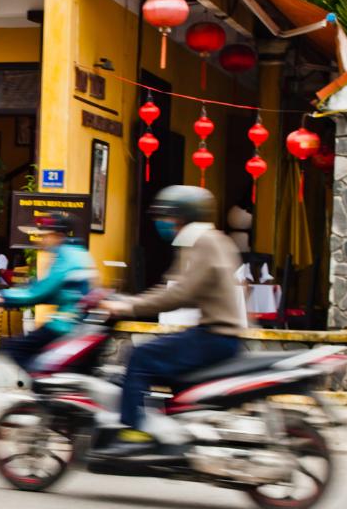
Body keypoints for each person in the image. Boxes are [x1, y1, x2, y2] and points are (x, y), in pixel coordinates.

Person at [100, 185, 245, 456]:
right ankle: (172, 432)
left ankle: (132, 433)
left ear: (183, 217)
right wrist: (128, 302)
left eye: (167, 217)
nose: (162, 223)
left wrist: (128, 308)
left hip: (214, 336)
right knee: (159, 359)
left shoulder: (203, 242)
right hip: (216, 335)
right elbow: (177, 287)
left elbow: (180, 293)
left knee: (139, 357)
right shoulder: (210, 240)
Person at [0, 211, 98, 375]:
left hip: (65, 324)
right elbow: (58, 292)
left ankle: (42, 392)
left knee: (15, 347)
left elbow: (38, 294)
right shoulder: (79, 252)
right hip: (78, 323)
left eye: (46, 235)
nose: (42, 240)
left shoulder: (66, 257)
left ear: (57, 235)